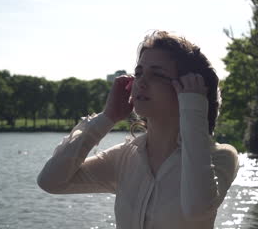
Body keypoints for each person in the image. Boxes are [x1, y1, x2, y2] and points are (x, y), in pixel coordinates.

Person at [37, 30, 239, 229]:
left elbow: (196, 209)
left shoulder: (221, 157)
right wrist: (107, 118)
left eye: (157, 74)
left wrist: (193, 108)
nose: (141, 81)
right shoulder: (125, 156)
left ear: (188, 90)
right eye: (139, 72)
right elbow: (51, 182)